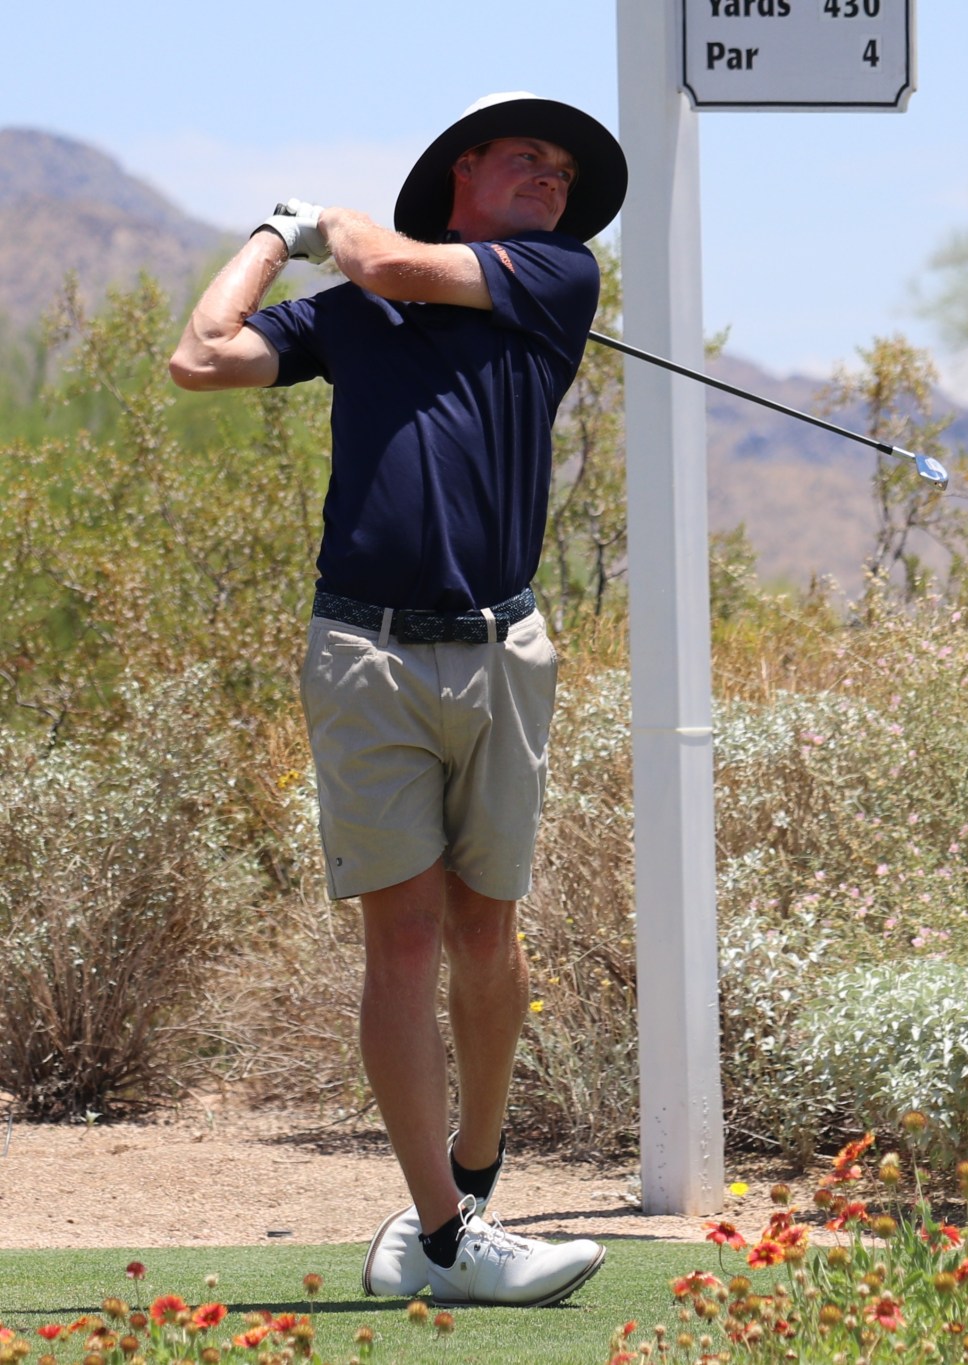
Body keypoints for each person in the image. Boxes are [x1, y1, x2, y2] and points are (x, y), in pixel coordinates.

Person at [169, 92, 628, 1307]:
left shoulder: (551, 275)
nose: (552, 179)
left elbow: (387, 255)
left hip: (502, 649)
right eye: (525, 157)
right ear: (464, 170)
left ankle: (473, 1175)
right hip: (364, 654)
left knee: (487, 929)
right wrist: (273, 237)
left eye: (564, 170)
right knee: (406, 939)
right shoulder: (357, 312)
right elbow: (200, 356)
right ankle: (441, 1235)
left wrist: (329, 221)